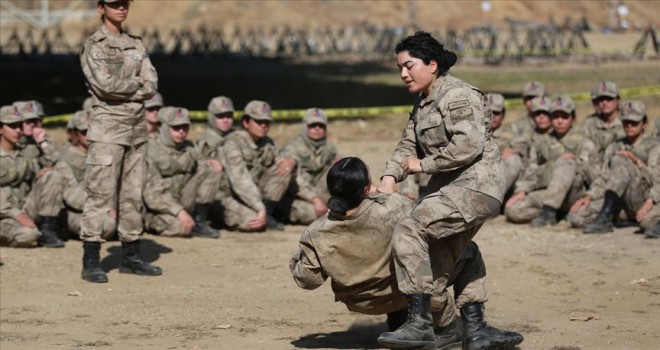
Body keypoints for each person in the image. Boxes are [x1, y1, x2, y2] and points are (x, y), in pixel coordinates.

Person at [376, 32, 522, 350]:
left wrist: (423, 166)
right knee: (444, 268)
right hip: (452, 191)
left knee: (410, 228)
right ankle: (471, 329)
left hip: (476, 186)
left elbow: (468, 145)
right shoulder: (423, 103)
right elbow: (406, 146)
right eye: (399, 67)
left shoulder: (457, 95)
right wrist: (390, 176)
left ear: (432, 64)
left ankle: (419, 324)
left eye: (409, 66)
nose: (403, 74)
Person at [79, 0, 161, 283]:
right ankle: (91, 259)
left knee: (133, 193)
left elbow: (152, 84)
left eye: (124, 4)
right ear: (101, 8)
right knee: (100, 194)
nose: (121, 9)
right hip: (107, 130)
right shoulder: (95, 44)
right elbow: (105, 86)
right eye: (114, 4)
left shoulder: (136, 44)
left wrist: (136, 89)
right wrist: (137, 88)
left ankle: (131, 255)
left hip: (137, 129)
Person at [505, 96, 599, 226]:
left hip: (573, 195)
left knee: (566, 162)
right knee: (513, 210)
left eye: (564, 116)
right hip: (547, 193)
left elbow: (596, 175)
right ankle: (555, 213)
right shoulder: (542, 141)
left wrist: (577, 165)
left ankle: (550, 213)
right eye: (555, 116)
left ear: (572, 117)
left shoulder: (584, 142)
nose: (559, 121)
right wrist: (522, 191)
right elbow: (532, 169)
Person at [569, 100, 659, 233]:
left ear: (644, 123)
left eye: (634, 122)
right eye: (626, 122)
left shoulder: (654, 146)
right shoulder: (614, 146)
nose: (629, 125)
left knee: (647, 223)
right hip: (619, 201)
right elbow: (605, 176)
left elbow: (656, 179)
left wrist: (637, 162)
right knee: (576, 215)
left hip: (643, 198)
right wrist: (589, 196)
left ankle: (608, 218)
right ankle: (610, 217)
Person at [143, 107, 221, 238]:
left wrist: (210, 162)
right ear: (162, 127)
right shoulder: (149, 150)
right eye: (176, 127)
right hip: (158, 207)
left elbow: (203, 166)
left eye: (185, 127)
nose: (182, 131)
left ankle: (199, 219)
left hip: (183, 201)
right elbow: (152, 193)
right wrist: (179, 212)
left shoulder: (189, 147)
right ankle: (151, 224)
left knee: (212, 169)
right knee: (180, 227)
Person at [220, 100, 295, 232]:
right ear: (245, 123)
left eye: (266, 122)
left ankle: (268, 212)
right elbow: (240, 179)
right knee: (253, 222)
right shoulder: (233, 143)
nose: (263, 126)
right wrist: (259, 207)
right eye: (258, 122)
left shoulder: (267, 142)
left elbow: (280, 162)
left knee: (284, 167)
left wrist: (291, 161)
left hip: (255, 196)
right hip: (231, 196)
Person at [0, 105, 64, 248]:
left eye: (19, 125)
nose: (17, 130)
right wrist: (15, 214)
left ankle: (47, 230)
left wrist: (42, 142)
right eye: (12, 126)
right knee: (28, 235)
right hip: (4, 213)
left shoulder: (25, 152)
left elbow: (58, 163)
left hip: (25, 207)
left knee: (53, 175)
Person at [57, 110, 117, 240]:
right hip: (74, 211)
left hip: (101, 208)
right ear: (75, 134)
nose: (91, 135)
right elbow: (72, 195)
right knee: (107, 225)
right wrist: (102, 208)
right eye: (85, 132)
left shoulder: (104, 154)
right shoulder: (64, 158)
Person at [278, 108, 339, 224]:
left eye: (321, 125)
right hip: (297, 197)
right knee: (316, 214)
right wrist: (315, 199)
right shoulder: (292, 149)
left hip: (321, 196)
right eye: (313, 125)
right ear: (305, 127)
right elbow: (293, 181)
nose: (317, 129)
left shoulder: (329, 149)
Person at [579, 81, 625, 159]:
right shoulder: (589, 122)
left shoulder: (627, 122)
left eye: (609, 99)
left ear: (618, 100)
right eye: (601, 99)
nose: (604, 103)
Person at [487, 93, 520, 196]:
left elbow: (523, 147)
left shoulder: (512, 133)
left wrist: (515, 150)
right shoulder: (473, 131)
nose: (492, 116)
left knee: (514, 159)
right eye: (489, 112)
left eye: (496, 113)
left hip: (502, 181)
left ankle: (495, 198)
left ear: (503, 114)